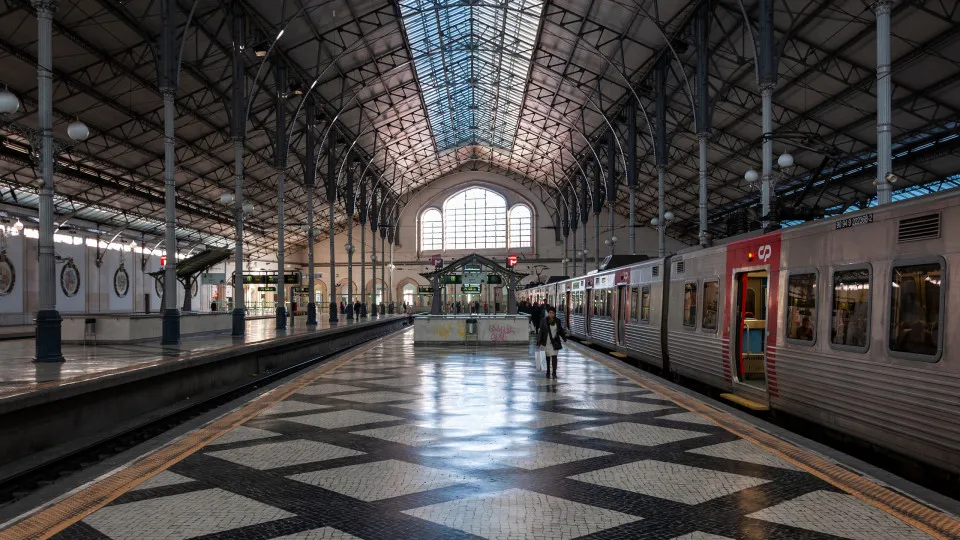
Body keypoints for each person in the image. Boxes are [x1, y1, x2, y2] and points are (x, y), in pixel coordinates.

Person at [537, 307, 567, 378]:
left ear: (555, 314)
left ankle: (554, 373)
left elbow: (560, 330)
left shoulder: (558, 321)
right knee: (547, 357)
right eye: (550, 313)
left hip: (554, 342)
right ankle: (548, 371)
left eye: (552, 313)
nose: (551, 314)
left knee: (554, 356)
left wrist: (564, 338)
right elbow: (541, 332)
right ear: (548, 313)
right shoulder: (544, 321)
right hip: (546, 341)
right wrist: (538, 342)